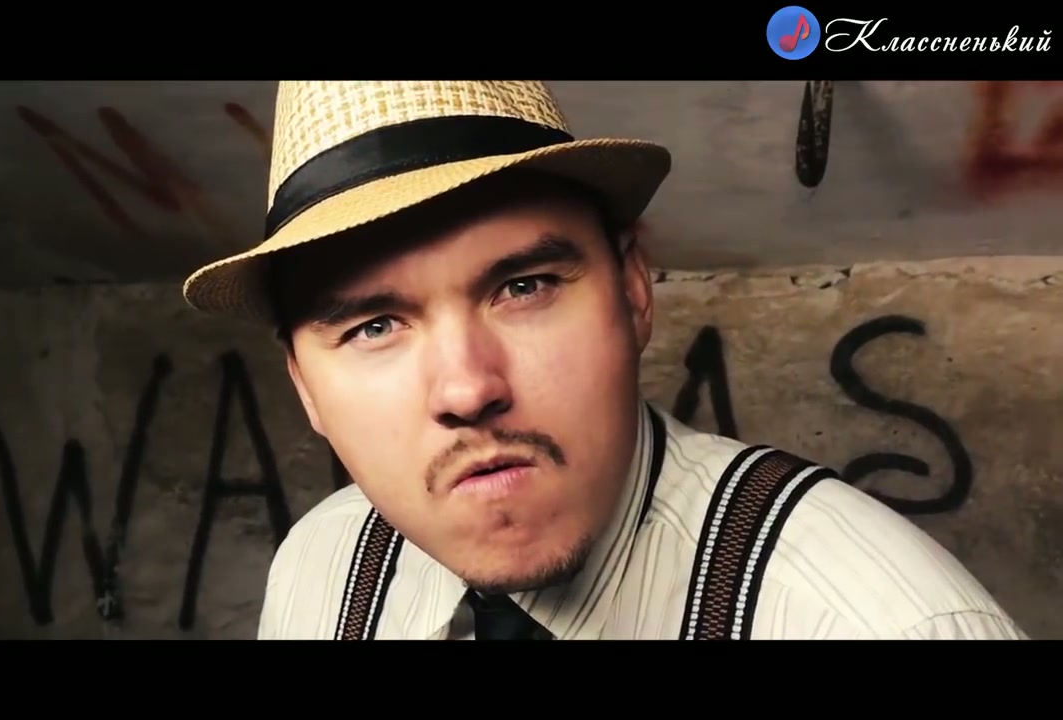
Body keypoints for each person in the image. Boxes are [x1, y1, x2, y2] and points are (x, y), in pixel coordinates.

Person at [182, 80, 1027, 640]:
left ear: (632, 291)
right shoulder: (321, 570)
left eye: (524, 286)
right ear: (306, 388)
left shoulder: (880, 622)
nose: (468, 388)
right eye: (373, 327)